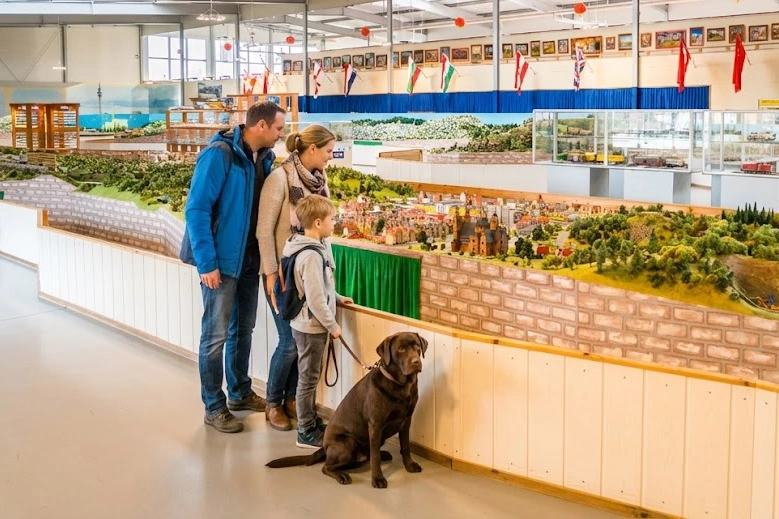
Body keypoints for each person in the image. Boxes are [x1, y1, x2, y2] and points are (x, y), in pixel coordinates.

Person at [183, 101, 287, 433]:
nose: (281, 134)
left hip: (249, 261)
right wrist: (207, 263)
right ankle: (214, 406)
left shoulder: (265, 158)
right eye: (278, 128)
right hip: (221, 263)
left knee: (243, 330)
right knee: (214, 336)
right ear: (261, 126)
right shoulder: (219, 155)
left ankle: (240, 393)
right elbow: (196, 210)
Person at [257, 124, 336, 431]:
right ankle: (273, 403)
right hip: (283, 276)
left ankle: (293, 398)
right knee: (289, 342)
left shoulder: (319, 182)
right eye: (328, 151)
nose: (330, 157)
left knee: (300, 343)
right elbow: (264, 231)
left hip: (309, 274)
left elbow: (321, 231)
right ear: (312, 149)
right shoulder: (279, 179)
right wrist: (270, 272)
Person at [282, 194, 352, 448]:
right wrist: (333, 326)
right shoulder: (311, 255)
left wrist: (338, 298)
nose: (335, 223)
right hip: (311, 326)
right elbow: (314, 298)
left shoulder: (307, 247)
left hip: (308, 324)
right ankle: (305, 430)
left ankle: (310, 421)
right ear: (318, 222)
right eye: (332, 219)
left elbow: (322, 287)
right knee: (308, 380)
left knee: (309, 377)